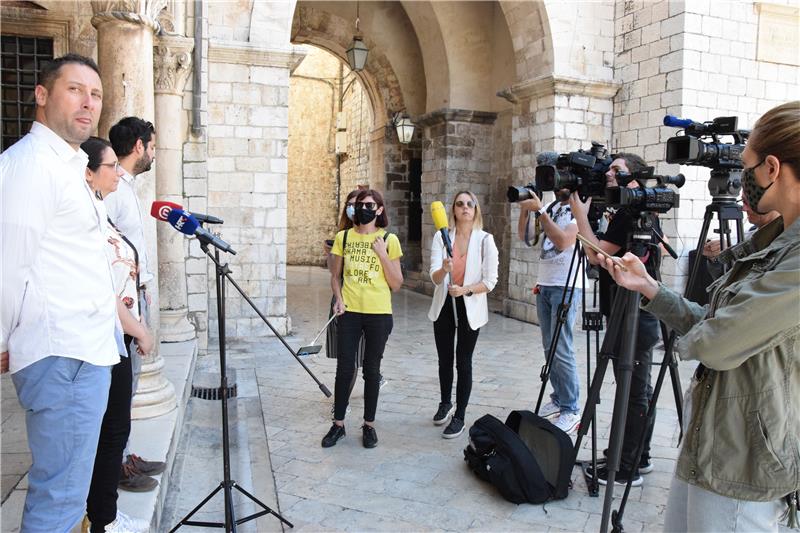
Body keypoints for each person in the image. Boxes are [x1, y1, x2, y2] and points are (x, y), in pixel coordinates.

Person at [595, 101, 799, 532]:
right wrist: (649, 288)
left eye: (747, 166)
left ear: (773, 169)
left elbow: (716, 343)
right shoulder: (776, 241)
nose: (740, 180)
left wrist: (705, 334)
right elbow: (714, 320)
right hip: (710, 444)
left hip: (743, 468)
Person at [0, 54, 122, 533]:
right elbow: (9, 262)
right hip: (61, 353)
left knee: (70, 490)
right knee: (60, 497)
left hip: (83, 350)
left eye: (95, 94)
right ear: (43, 95)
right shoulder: (30, 166)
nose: (87, 103)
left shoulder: (68, 163)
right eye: (75, 90)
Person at [569, 153, 663, 487]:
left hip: (635, 314)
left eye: (616, 170)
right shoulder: (636, 209)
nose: (609, 173)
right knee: (637, 389)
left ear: (635, 176)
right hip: (633, 311)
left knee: (633, 391)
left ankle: (627, 468)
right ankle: (638, 455)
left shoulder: (631, 212)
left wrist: (579, 213)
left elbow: (596, 255)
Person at [81, 137, 152, 533]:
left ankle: (102, 514)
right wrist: (139, 329)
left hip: (116, 336)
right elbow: (103, 288)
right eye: (111, 166)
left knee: (114, 429)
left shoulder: (99, 211)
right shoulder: (87, 219)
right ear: (89, 172)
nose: (119, 173)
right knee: (109, 433)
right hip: (108, 336)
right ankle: (102, 521)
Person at [106, 116, 166, 490]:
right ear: (140, 146)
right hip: (120, 302)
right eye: (153, 146)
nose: (154, 153)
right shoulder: (112, 189)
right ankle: (115, 465)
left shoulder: (123, 186)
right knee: (121, 387)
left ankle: (124, 454)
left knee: (129, 385)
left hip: (134, 296)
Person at [322, 189, 403, 448]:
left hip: (379, 313)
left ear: (379, 209)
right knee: (345, 369)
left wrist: (381, 254)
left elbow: (397, 283)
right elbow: (335, 276)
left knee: (371, 370)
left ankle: (369, 425)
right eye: (359, 204)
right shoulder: (343, 237)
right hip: (350, 312)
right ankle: (338, 424)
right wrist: (339, 299)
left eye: (369, 204)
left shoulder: (389, 240)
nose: (363, 208)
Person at [429, 191, 499, 438]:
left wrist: (466, 290)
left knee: (463, 361)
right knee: (444, 359)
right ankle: (445, 403)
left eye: (470, 204)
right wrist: (444, 269)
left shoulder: (485, 240)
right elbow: (435, 278)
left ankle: (460, 415)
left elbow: (490, 282)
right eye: (460, 204)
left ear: (476, 210)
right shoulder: (441, 238)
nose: (465, 208)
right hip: (444, 305)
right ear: (453, 210)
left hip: (469, 305)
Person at [517, 188, 582, 433]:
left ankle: (571, 409)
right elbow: (527, 237)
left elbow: (564, 242)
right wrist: (525, 210)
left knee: (562, 347)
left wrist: (541, 210)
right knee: (550, 346)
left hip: (567, 284)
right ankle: (559, 398)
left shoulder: (579, 206)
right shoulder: (553, 207)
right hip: (545, 283)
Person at [323, 190, 386, 417]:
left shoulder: (381, 237)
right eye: (351, 205)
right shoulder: (343, 235)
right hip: (343, 299)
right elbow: (334, 272)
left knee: (364, 360)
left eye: (358, 204)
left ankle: (367, 390)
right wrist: (330, 254)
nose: (355, 208)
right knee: (345, 360)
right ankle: (342, 406)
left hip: (370, 306)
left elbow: (393, 278)